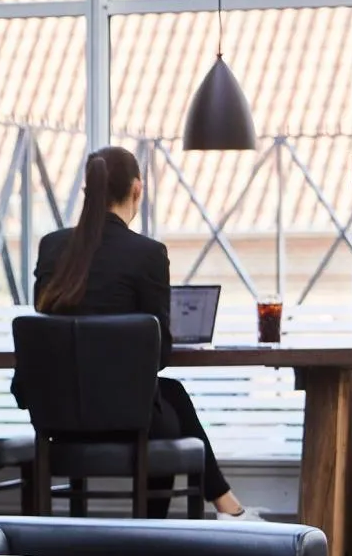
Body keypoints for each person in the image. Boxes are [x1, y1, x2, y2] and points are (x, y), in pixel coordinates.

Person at [25, 145, 261, 521]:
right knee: (165, 414)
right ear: (138, 189)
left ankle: (224, 501)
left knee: (172, 396)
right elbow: (159, 356)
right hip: (126, 418)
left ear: (89, 191)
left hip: (58, 416)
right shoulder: (147, 253)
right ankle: (167, 526)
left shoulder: (52, 247)